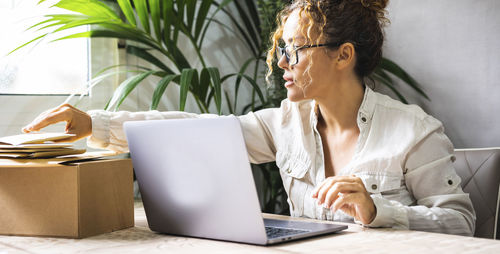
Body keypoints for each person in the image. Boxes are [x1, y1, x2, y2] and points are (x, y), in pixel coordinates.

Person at [23, 0, 475, 236]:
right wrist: (96, 125)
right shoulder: (283, 125)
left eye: (295, 50)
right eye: (282, 49)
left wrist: (380, 211)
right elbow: (195, 129)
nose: (281, 62)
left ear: (344, 56)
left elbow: (461, 223)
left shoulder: (413, 130)